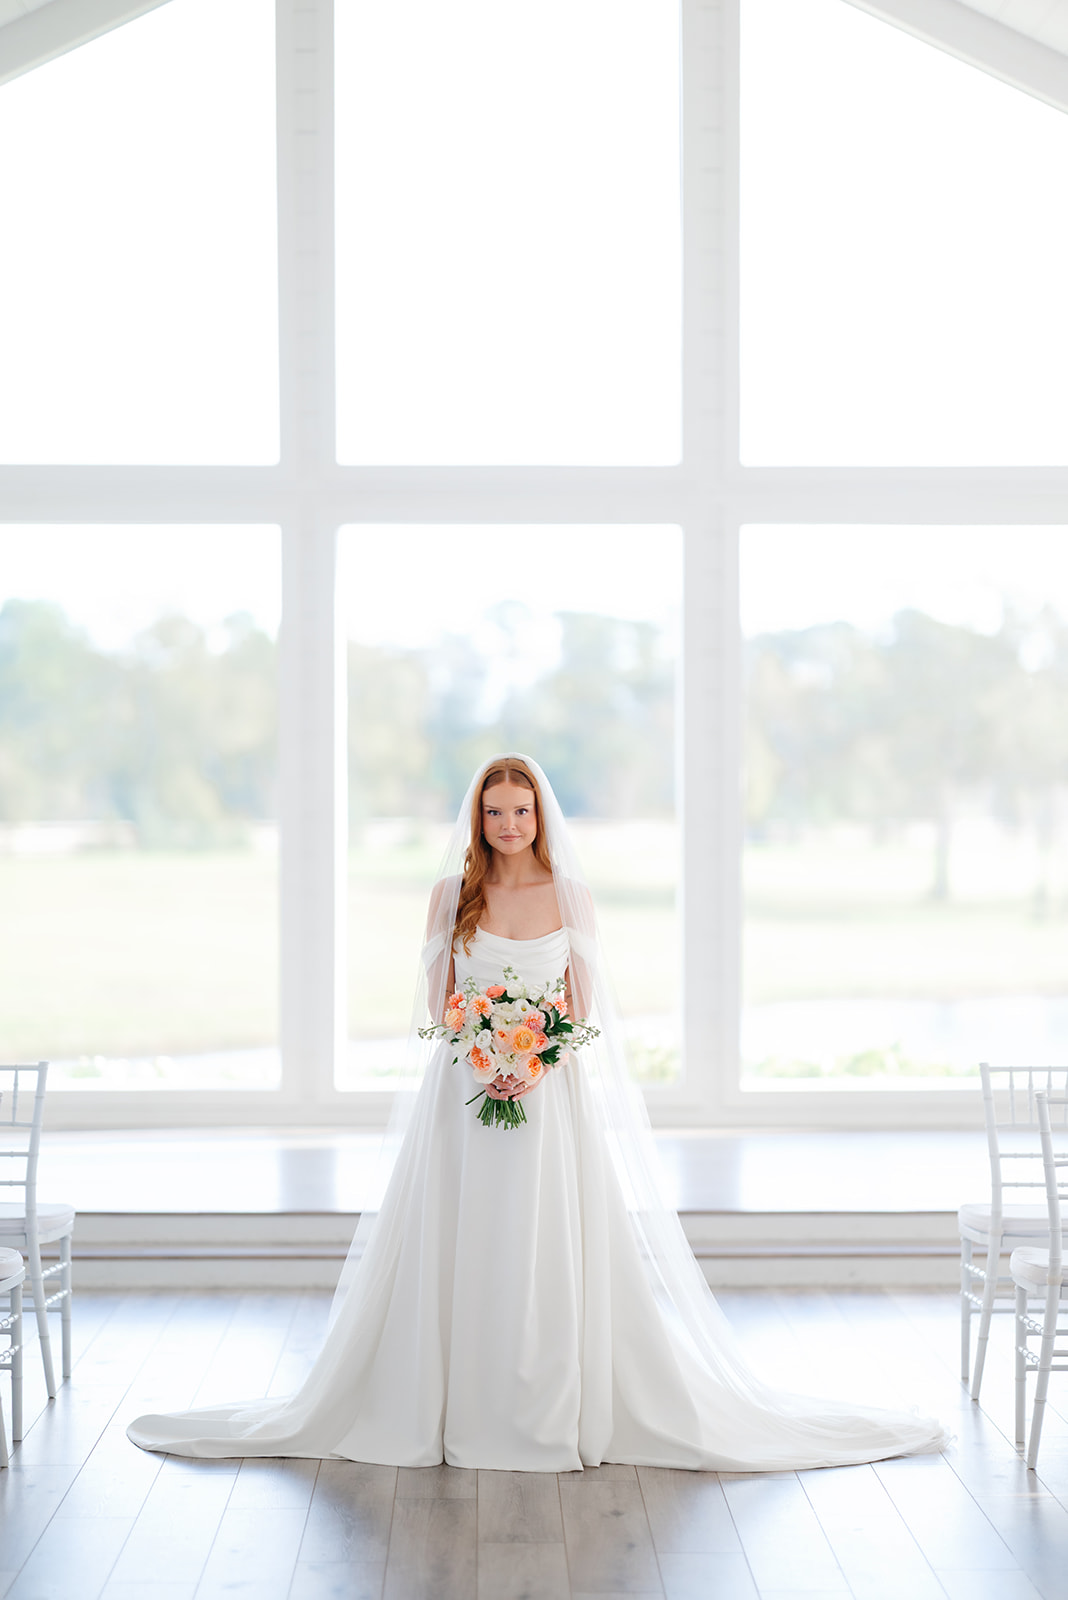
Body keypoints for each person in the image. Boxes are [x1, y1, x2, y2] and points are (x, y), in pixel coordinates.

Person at [128, 753, 947, 1469]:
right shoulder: (453, 893)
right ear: (477, 818)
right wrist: (485, 1050)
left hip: (549, 1099)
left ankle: (544, 1408)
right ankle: (449, 1405)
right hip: (462, 1091)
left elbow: (583, 1011)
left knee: (540, 1240)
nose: (509, 823)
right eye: (495, 811)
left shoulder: (572, 895)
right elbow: (440, 1002)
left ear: (541, 816)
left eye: (521, 811)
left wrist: (534, 1060)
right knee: (462, 1235)